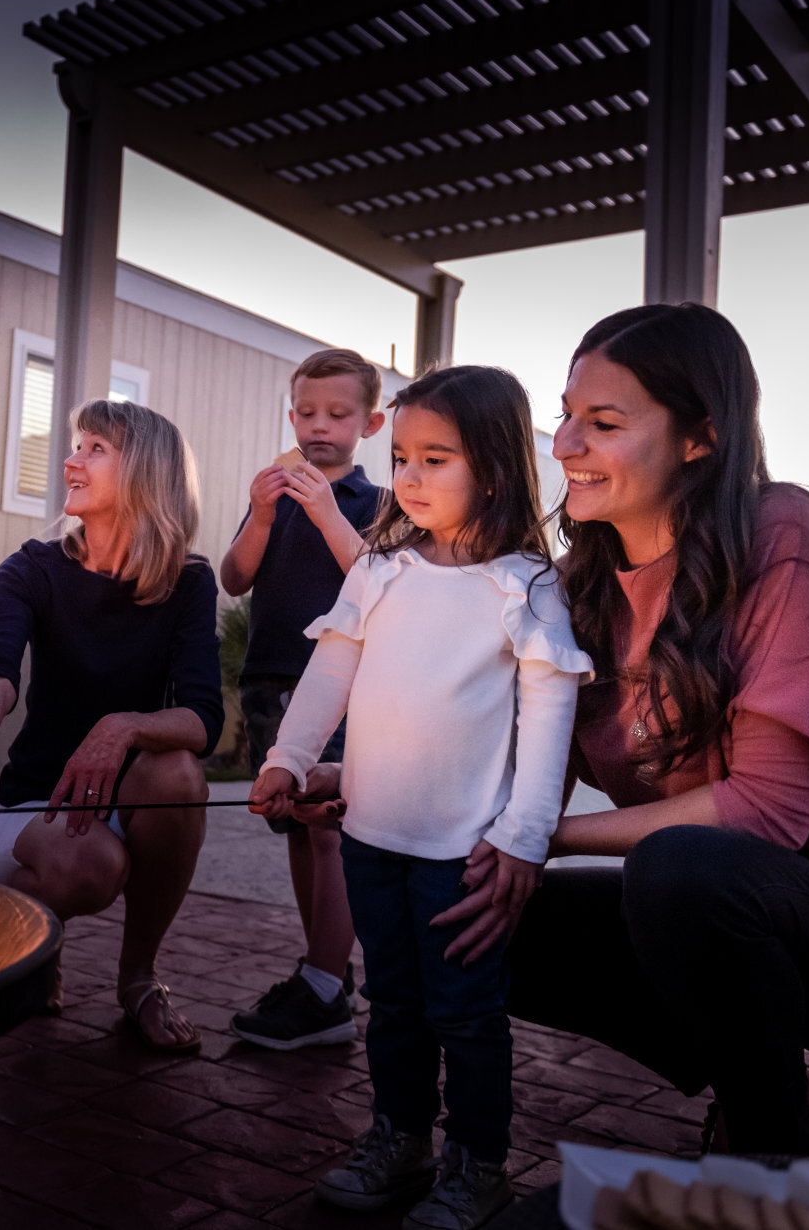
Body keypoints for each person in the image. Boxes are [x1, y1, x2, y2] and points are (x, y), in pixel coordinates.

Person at [436, 303, 809, 1157]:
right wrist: (372, 793)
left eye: (604, 423)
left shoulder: (780, 533)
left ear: (701, 437)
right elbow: (513, 772)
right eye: (566, 415)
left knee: (681, 868)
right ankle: (771, 1087)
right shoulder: (573, 587)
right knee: (468, 906)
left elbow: (765, 814)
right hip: (731, 921)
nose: (563, 445)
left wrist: (543, 835)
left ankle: (761, 1155)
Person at [253, 365, 592, 1229]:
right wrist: (289, 757)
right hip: (369, 836)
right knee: (394, 1004)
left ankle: (478, 1163)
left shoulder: (526, 586)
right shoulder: (381, 569)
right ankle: (400, 1137)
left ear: (495, 470)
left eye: (435, 458)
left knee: (468, 1016)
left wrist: (525, 834)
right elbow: (334, 666)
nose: (407, 476)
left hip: (466, 855)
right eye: (402, 456)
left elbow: (550, 712)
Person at [0, 400, 221, 1054]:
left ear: (146, 472)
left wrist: (122, 727)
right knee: (91, 867)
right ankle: (29, 938)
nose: (70, 460)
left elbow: (202, 719)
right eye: (77, 444)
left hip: (126, 800)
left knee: (178, 770)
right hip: (37, 806)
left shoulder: (189, 582)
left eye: (95, 448)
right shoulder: (32, 568)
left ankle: (139, 980)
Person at [219, 347, 385, 1051]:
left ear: (370, 423)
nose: (320, 427)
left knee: (329, 827)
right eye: (307, 413)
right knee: (293, 821)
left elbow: (374, 583)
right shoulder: (275, 495)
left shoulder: (380, 502)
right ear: (291, 416)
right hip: (269, 677)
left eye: (338, 414)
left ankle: (322, 982)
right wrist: (261, 514)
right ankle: (327, 969)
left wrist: (324, 510)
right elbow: (233, 577)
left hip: (341, 686)